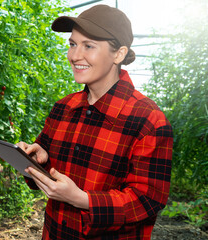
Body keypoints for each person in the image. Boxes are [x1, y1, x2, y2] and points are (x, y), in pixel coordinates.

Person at [17, 4, 173, 239]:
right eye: (72, 44)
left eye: (88, 46)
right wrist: (37, 160)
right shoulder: (63, 108)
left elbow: (147, 200)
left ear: (119, 54)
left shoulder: (148, 120)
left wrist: (82, 199)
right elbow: (49, 177)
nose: (74, 55)